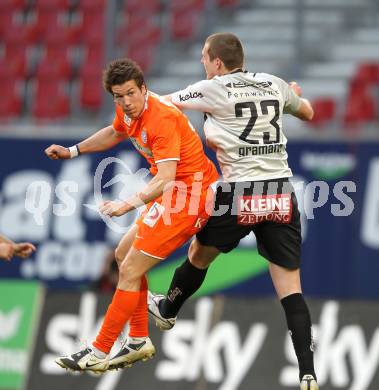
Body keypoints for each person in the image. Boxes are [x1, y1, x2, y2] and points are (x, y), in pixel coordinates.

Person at [147, 33, 318, 390]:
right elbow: (308, 112)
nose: (202, 64)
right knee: (290, 287)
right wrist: (293, 97)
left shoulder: (213, 87)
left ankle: (168, 311)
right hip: (280, 192)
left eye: (204, 59)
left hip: (240, 192)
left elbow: (162, 106)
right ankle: (307, 373)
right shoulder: (274, 84)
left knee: (199, 255)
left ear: (218, 63)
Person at [44, 58, 218, 373]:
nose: (125, 102)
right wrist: (73, 151)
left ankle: (98, 350)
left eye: (130, 94)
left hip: (191, 198)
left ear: (144, 89)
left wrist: (127, 204)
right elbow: (114, 132)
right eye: (118, 96)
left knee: (129, 269)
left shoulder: (160, 118)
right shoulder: (128, 111)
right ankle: (138, 341)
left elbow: (165, 177)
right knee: (123, 257)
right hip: (174, 194)